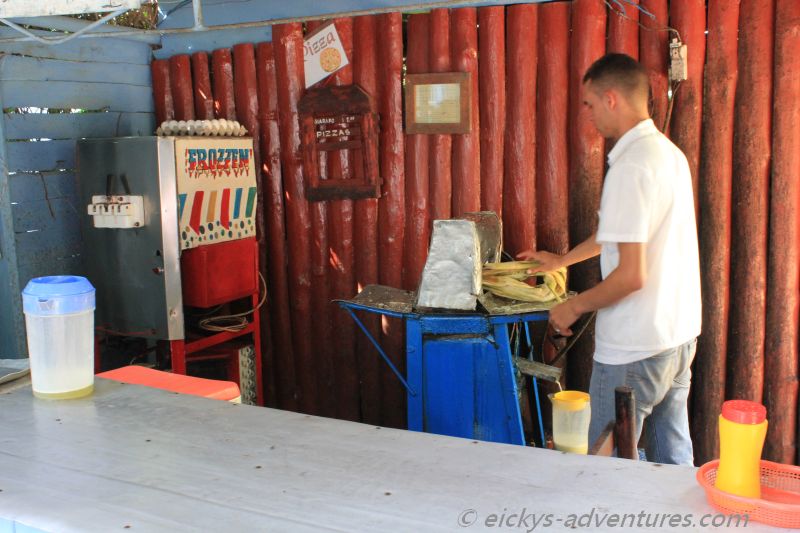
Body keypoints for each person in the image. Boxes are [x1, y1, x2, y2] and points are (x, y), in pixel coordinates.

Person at [519, 53, 701, 465]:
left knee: (605, 469)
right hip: (676, 338)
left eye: (589, 103)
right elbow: (615, 235)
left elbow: (632, 275)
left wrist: (572, 307)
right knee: (671, 461)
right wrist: (561, 261)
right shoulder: (668, 155)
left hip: (633, 349)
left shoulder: (630, 167)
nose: (588, 114)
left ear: (612, 99)